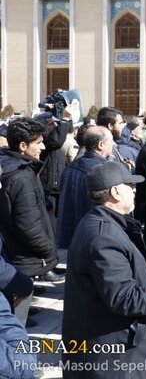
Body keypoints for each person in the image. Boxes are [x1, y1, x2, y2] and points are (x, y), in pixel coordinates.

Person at [62, 161, 146, 378]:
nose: (134, 189)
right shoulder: (103, 235)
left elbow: (118, 277)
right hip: (113, 355)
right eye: (129, 185)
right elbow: (123, 298)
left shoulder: (108, 225)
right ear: (114, 192)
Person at [0, 117, 59, 325]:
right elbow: (29, 225)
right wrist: (47, 249)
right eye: (38, 143)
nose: (43, 147)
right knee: (15, 322)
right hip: (22, 255)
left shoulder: (15, 168)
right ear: (23, 146)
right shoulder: (21, 177)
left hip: (15, 252)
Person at [56, 126, 113, 249]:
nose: (113, 145)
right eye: (111, 141)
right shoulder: (102, 171)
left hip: (71, 239)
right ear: (101, 145)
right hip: (93, 239)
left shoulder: (72, 167)